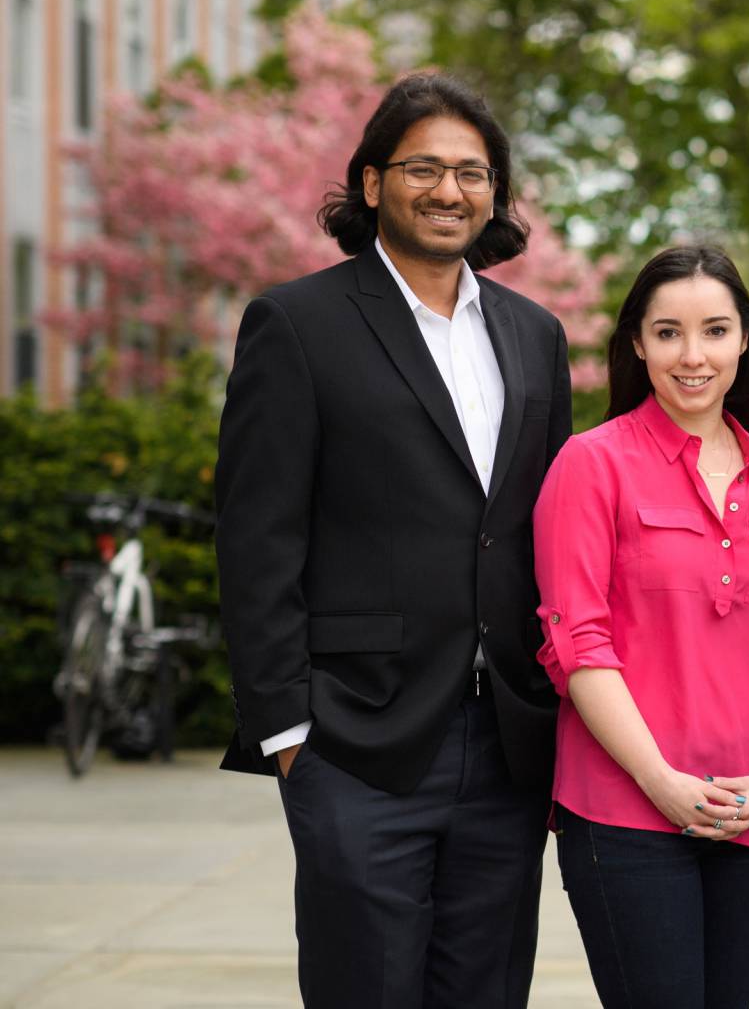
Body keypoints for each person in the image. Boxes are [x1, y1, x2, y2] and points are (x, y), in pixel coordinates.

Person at [215, 73, 571, 1006]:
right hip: (355, 741)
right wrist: (287, 732)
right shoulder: (296, 324)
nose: (449, 190)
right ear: (372, 182)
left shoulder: (535, 337)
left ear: (495, 193)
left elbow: (548, 532)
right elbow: (256, 540)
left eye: (472, 172)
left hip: (507, 744)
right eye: (423, 168)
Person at [531, 245, 749, 1009]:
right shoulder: (590, 464)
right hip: (622, 806)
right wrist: (659, 781)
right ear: (636, 343)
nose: (692, 356)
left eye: (715, 331)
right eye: (667, 333)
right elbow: (577, 643)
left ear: (744, 342)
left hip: (748, 813)